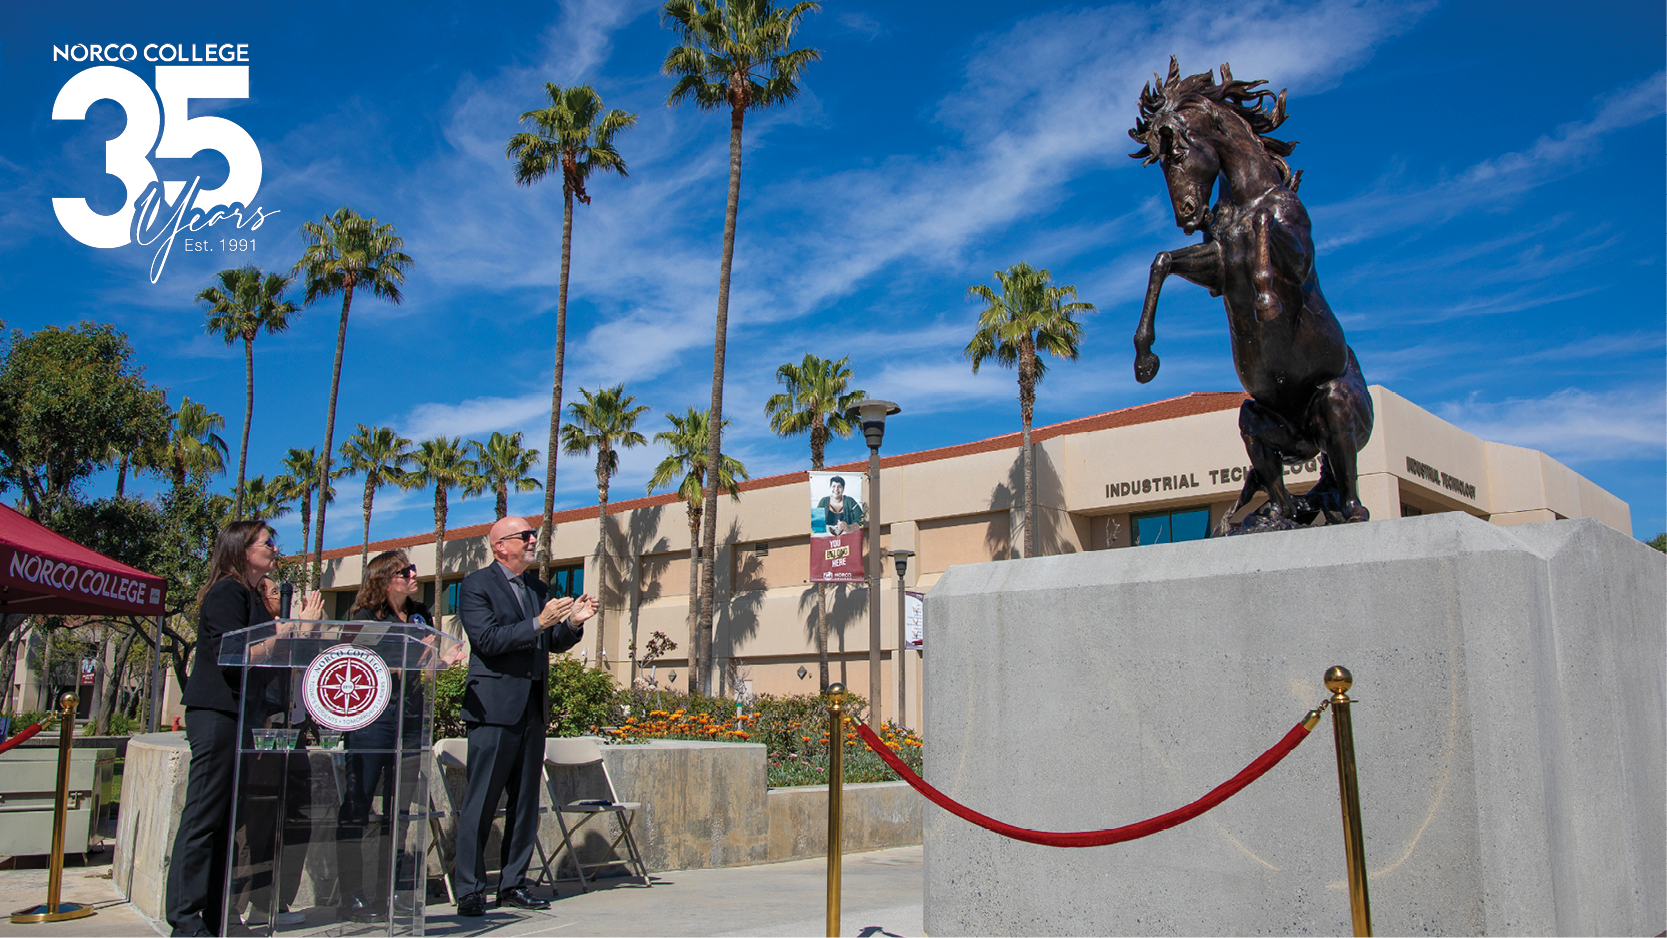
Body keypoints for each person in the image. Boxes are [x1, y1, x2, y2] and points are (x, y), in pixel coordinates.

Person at [165, 521, 321, 938]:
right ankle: (185, 920)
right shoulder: (227, 592)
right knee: (204, 817)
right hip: (218, 714)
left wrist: (299, 631)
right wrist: (286, 630)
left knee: (226, 820)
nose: (274, 548)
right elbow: (232, 653)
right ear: (242, 548)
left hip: (245, 716)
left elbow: (268, 657)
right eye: (267, 542)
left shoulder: (251, 597)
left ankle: (217, 918)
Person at [453, 516, 597, 915]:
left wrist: (572, 622)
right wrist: (538, 622)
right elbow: (487, 640)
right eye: (525, 535)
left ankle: (513, 883)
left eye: (534, 535)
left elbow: (551, 641)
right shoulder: (476, 585)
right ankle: (469, 889)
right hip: (494, 709)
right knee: (481, 801)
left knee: (525, 803)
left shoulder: (537, 588)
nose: (533, 540)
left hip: (533, 708)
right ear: (500, 546)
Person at [334, 550, 462, 923]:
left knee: (400, 812)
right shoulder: (365, 617)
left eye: (413, 570)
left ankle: (389, 892)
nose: (413, 576)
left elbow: (422, 661)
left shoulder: (420, 614)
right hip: (372, 718)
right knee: (358, 805)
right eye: (406, 571)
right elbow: (354, 663)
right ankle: (352, 896)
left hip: (411, 716)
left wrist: (443, 662)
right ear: (385, 579)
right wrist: (397, 663)